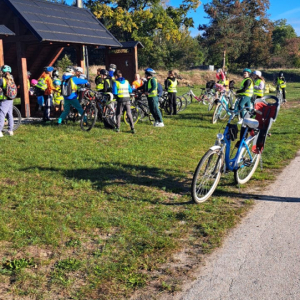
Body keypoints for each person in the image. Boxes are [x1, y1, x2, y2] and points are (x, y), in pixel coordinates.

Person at [0, 65, 14, 137]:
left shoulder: (2, 80)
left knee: (1, 114)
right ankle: (10, 130)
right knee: (9, 114)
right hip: (10, 98)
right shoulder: (11, 79)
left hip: (4, 99)